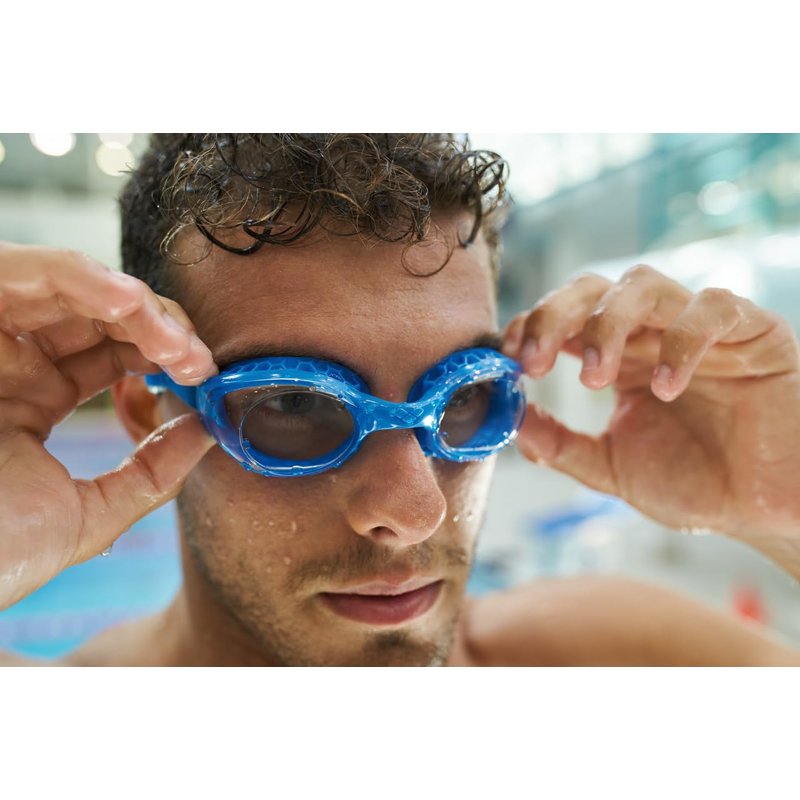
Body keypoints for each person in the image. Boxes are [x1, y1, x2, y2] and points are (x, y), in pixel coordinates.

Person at [1, 133, 799, 667]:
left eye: (464, 395)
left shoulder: (608, 662)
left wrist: (785, 511)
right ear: (148, 411)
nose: (416, 511)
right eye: (293, 404)